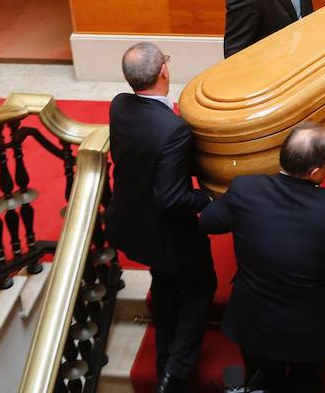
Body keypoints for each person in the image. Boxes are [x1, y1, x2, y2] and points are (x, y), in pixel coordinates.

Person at [200, 122, 325, 393]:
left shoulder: (245, 189)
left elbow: (208, 222)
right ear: (315, 172)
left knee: (263, 385)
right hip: (310, 332)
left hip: (255, 324)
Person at [105, 42, 217, 393]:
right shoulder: (174, 130)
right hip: (169, 233)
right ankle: (175, 372)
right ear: (164, 71)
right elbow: (172, 198)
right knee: (201, 288)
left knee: (166, 287)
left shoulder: (119, 105)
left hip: (134, 225)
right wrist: (209, 197)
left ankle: (163, 364)